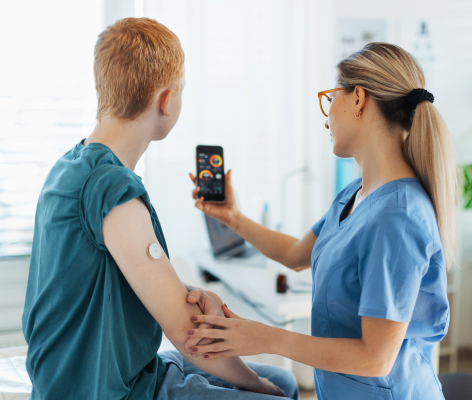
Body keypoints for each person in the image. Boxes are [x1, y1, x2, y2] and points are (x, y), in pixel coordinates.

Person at [22, 17, 297, 400]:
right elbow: (189, 337)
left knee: (283, 381)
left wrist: (181, 289)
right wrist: (258, 386)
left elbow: (102, 278)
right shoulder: (112, 189)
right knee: (277, 391)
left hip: (77, 376)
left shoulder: (68, 167)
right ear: (165, 100)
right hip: (109, 390)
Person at [188, 42, 456, 400]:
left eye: (331, 98)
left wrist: (266, 337)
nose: (326, 114)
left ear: (359, 99)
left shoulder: (400, 217)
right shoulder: (355, 193)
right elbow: (296, 254)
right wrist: (233, 217)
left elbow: (376, 359)